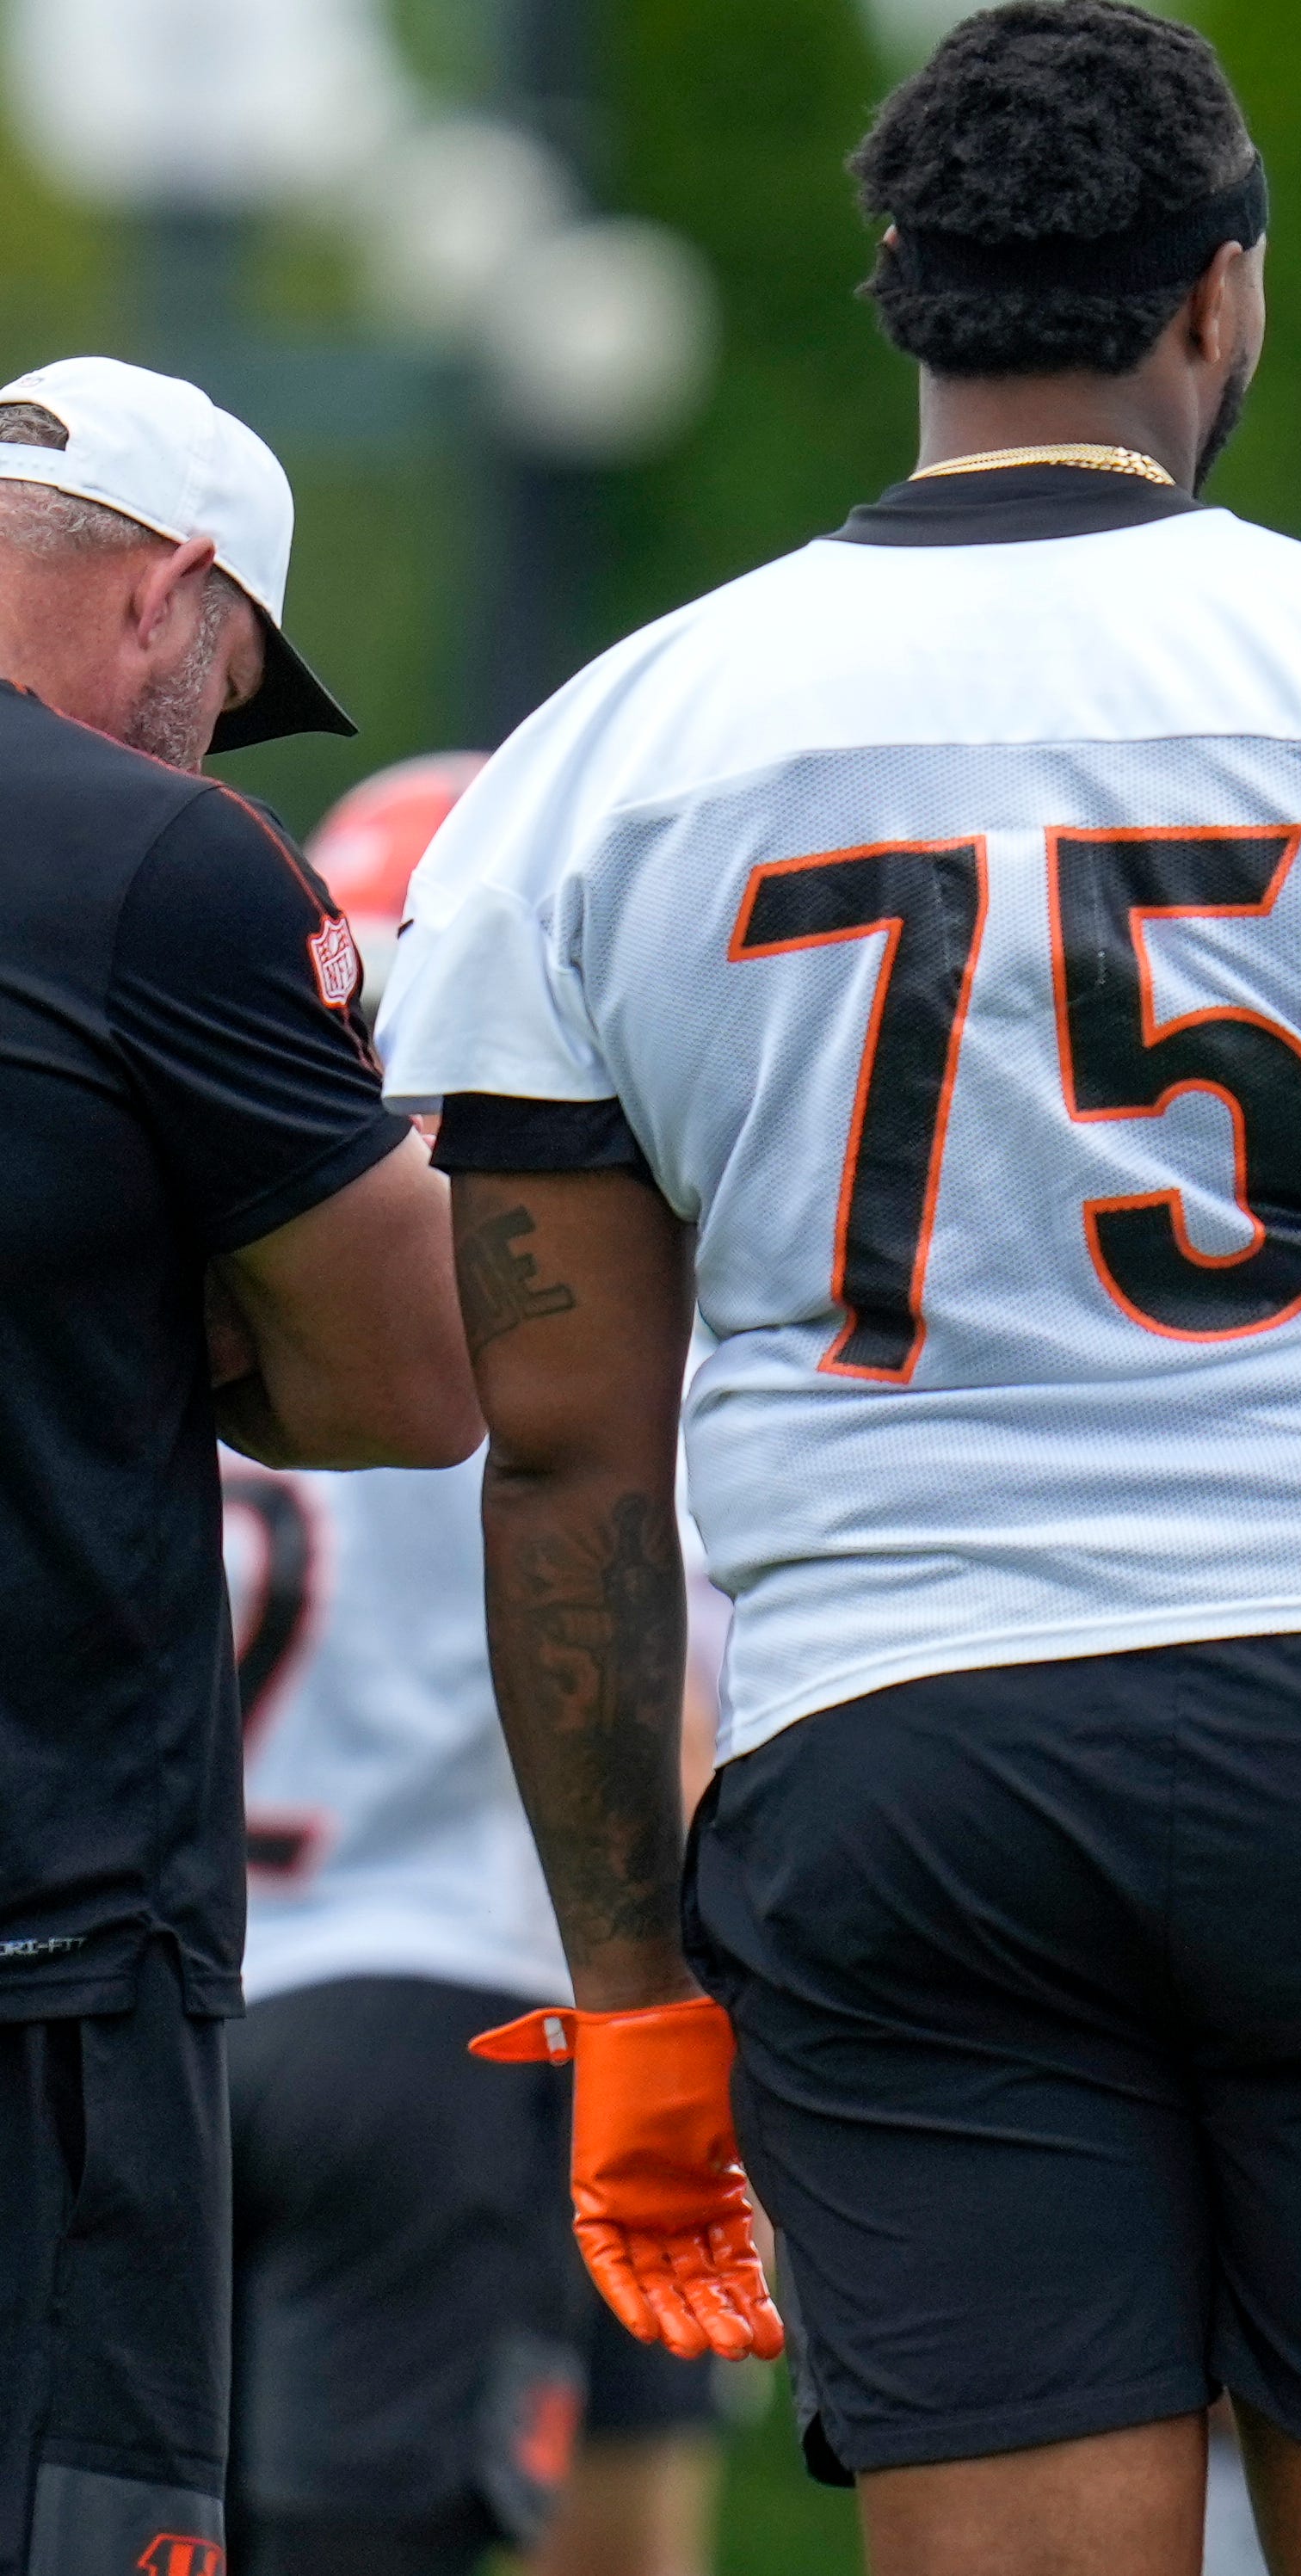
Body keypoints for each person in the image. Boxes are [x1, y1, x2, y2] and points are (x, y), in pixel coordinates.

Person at [372, 9, 1301, 2573]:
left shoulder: (604, 760)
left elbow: (572, 1445)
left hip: (897, 1739)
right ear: (1219, 300)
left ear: (899, 296)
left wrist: (629, 1986)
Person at [0, 356, 476, 2576]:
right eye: (233, 686)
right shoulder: (152, 856)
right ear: (175, 589)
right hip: (56, 1942)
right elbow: (407, 1383)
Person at [225, 754, 728, 2576]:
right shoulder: (561, 1284)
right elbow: (663, 1699)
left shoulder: (198, 1254)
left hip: (154, 1995)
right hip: (443, 1993)